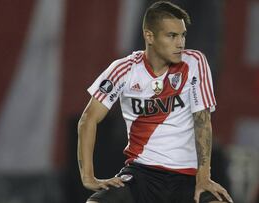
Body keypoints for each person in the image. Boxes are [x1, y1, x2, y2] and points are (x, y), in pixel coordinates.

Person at [77, 1, 233, 203]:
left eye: (182, 35)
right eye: (172, 36)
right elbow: (88, 119)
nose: (180, 43)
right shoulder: (124, 69)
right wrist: (88, 177)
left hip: (186, 177)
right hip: (140, 176)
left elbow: (202, 121)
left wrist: (203, 177)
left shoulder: (195, 62)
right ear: (149, 36)